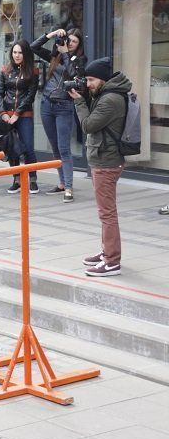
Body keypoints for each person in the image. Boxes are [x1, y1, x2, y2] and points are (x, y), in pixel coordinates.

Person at [69, 57, 129, 277]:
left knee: (107, 213)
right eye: (86, 80)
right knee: (105, 212)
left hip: (106, 161)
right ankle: (107, 252)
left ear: (103, 79)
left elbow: (88, 125)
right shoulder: (107, 94)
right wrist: (86, 96)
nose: (88, 84)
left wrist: (79, 101)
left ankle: (112, 261)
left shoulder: (110, 100)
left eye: (91, 80)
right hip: (104, 158)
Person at [31, 28, 86, 203]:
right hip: (47, 104)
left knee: (64, 148)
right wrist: (52, 34)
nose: (70, 43)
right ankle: (62, 183)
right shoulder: (55, 56)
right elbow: (33, 47)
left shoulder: (80, 60)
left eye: (74, 41)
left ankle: (69, 187)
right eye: (69, 40)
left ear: (79, 45)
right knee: (54, 147)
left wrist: (66, 54)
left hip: (64, 106)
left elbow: (74, 75)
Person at [0, 39, 40, 194]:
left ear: (25, 54)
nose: (17, 55)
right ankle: (16, 179)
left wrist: (17, 113)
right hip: (7, 115)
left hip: (24, 114)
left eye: (20, 52)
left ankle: (32, 179)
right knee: (11, 147)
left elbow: (30, 95)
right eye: (14, 52)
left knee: (28, 147)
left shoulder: (33, 71)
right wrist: (3, 113)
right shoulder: (5, 70)